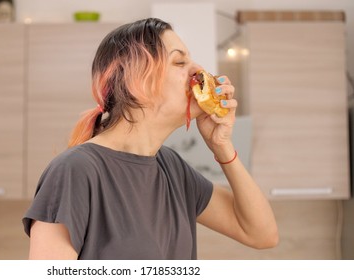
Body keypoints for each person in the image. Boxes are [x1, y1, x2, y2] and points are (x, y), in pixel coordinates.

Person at [22, 17, 278, 260]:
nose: (199, 70)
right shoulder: (75, 171)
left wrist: (222, 147)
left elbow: (261, 234)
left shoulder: (172, 168)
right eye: (179, 63)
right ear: (137, 81)